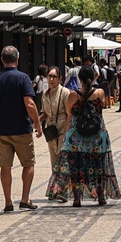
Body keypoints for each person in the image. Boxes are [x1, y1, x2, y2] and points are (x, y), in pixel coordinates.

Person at [46, 65, 121, 206]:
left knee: (76, 166)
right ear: (93, 78)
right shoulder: (100, 93)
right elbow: (103, 107)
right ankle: (101, 196)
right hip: (98, 135)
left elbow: (69, 111)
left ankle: (76, 198)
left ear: (79, 79)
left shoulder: (73, 94)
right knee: (99, 165)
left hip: (76, 136)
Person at [0, 45, 43, 212]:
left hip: (2, 130)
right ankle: (25, 199)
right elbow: (30, 104)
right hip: (21, 129)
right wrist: (37, 124)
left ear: (2, 60)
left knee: (5, 166)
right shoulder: (23, 78)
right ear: (17, 60)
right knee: (28, 164)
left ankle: (8, 202)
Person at [40, 65, 72, 200]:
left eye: (54, 76)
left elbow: (70, 113)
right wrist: (36, 122)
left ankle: (63, 190)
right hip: (51, 130)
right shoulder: (45, 94)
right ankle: (55, 188)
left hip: (62, 129)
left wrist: (66, 130)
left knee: (62, 160)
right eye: (49, 76)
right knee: (54, 160)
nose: (51, 79)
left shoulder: (65, 93)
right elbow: (45, 113)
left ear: (59, 79)